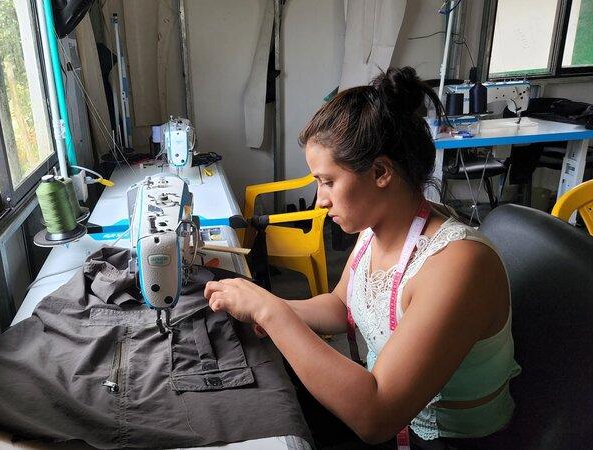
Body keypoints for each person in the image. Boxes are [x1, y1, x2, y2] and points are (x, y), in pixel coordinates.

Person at [204, 67, 521, 449]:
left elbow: (376, 417)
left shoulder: (457, 265)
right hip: (391, 409)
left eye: (328, 182)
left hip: (445, 439)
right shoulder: (377, 229)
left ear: (381, 172)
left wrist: (272, 313)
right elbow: (341, 305)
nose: (320, 201)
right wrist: (263, 306)